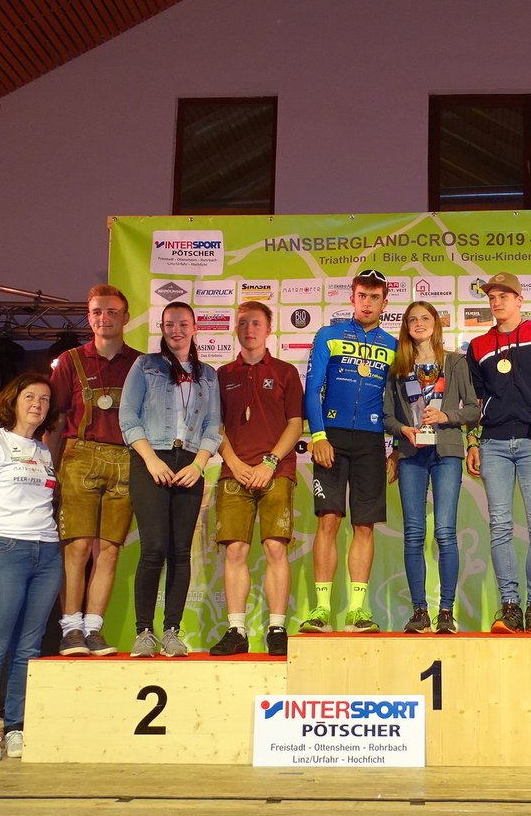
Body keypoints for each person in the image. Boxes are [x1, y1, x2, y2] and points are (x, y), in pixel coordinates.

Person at [0, 373, 63, 762]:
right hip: (3, 548)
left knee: (28, 648)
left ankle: (17, 725)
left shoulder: (44, 450)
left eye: (45, 399)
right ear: (12, 401)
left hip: (46, 552)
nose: (38, 404)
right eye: (30, 396)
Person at [466, 272, 531, 633]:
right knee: (500, 527)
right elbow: (474, 400)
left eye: (504, 296)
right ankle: (509, 606)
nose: (496, 302)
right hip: (493, 443)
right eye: (491, 297)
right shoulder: (478, 345)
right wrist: (472, 441)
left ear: (520, 300)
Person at [121, 301, 222, 656]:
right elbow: (128, 418)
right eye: (169, 324)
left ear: (194, 328)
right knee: (154, 548)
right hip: (151, 459)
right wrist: (150, 459)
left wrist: (199, 465)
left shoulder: (208, 374)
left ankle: (172, 632)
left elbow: (213, 425)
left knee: (181, 551)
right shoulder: (145, 365)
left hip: (189, 463)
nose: (176, 330)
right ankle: (144, 632)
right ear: (162, 329)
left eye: (182, 324)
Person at [303, 268, 397, 632]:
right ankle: (321, 610)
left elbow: (401, 402)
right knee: (328, 520)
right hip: (332, 437)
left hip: (371, 441)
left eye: (375, 297)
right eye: (362, 296)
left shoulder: (393, 345)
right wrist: (318, 436)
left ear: (384, 303)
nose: (367, 303)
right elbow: (313, 388)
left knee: (364, 525)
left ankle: (357, 611)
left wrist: (396, 449)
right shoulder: (328, 335)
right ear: (352, 299)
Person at [49, 284, 140, 656]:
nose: (104, 318)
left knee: (109, 550)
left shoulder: (141, 364)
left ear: (126, 317)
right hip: (79, 456)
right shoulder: (69, 361)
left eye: (112, 312)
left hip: (125, 459)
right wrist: (50, 468)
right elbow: (55, 419)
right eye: (97, 312)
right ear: (88, 318)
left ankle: (94, 629)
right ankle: (71, 628)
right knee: (78, 547)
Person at [384, 300, 482, 634]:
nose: (419, 323)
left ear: (436, 324)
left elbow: (473, 410)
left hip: (447, 451)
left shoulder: (454, 362)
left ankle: (446, 612)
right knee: (413, 533)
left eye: (425, 318)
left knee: (444, 531)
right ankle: (419, 612)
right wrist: (403, 430)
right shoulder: (398, 367)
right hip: (411, 452)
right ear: (406, 327)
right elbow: (387, 416)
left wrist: (445, 415)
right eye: (412, 319)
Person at [212, 301, 304, 655]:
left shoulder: (285, 372)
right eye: (242, 323)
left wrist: (269, 463)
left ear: (268, 329)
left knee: (275, 548)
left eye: (255, 323)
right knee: (235, 550)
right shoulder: (221, 374)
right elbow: (214, 426)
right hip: (233, 472)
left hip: (276, 472)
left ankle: (276, 629)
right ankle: (236, 631)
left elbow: (295, 424)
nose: (249, 329)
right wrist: (234, 463)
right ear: (235, 328)